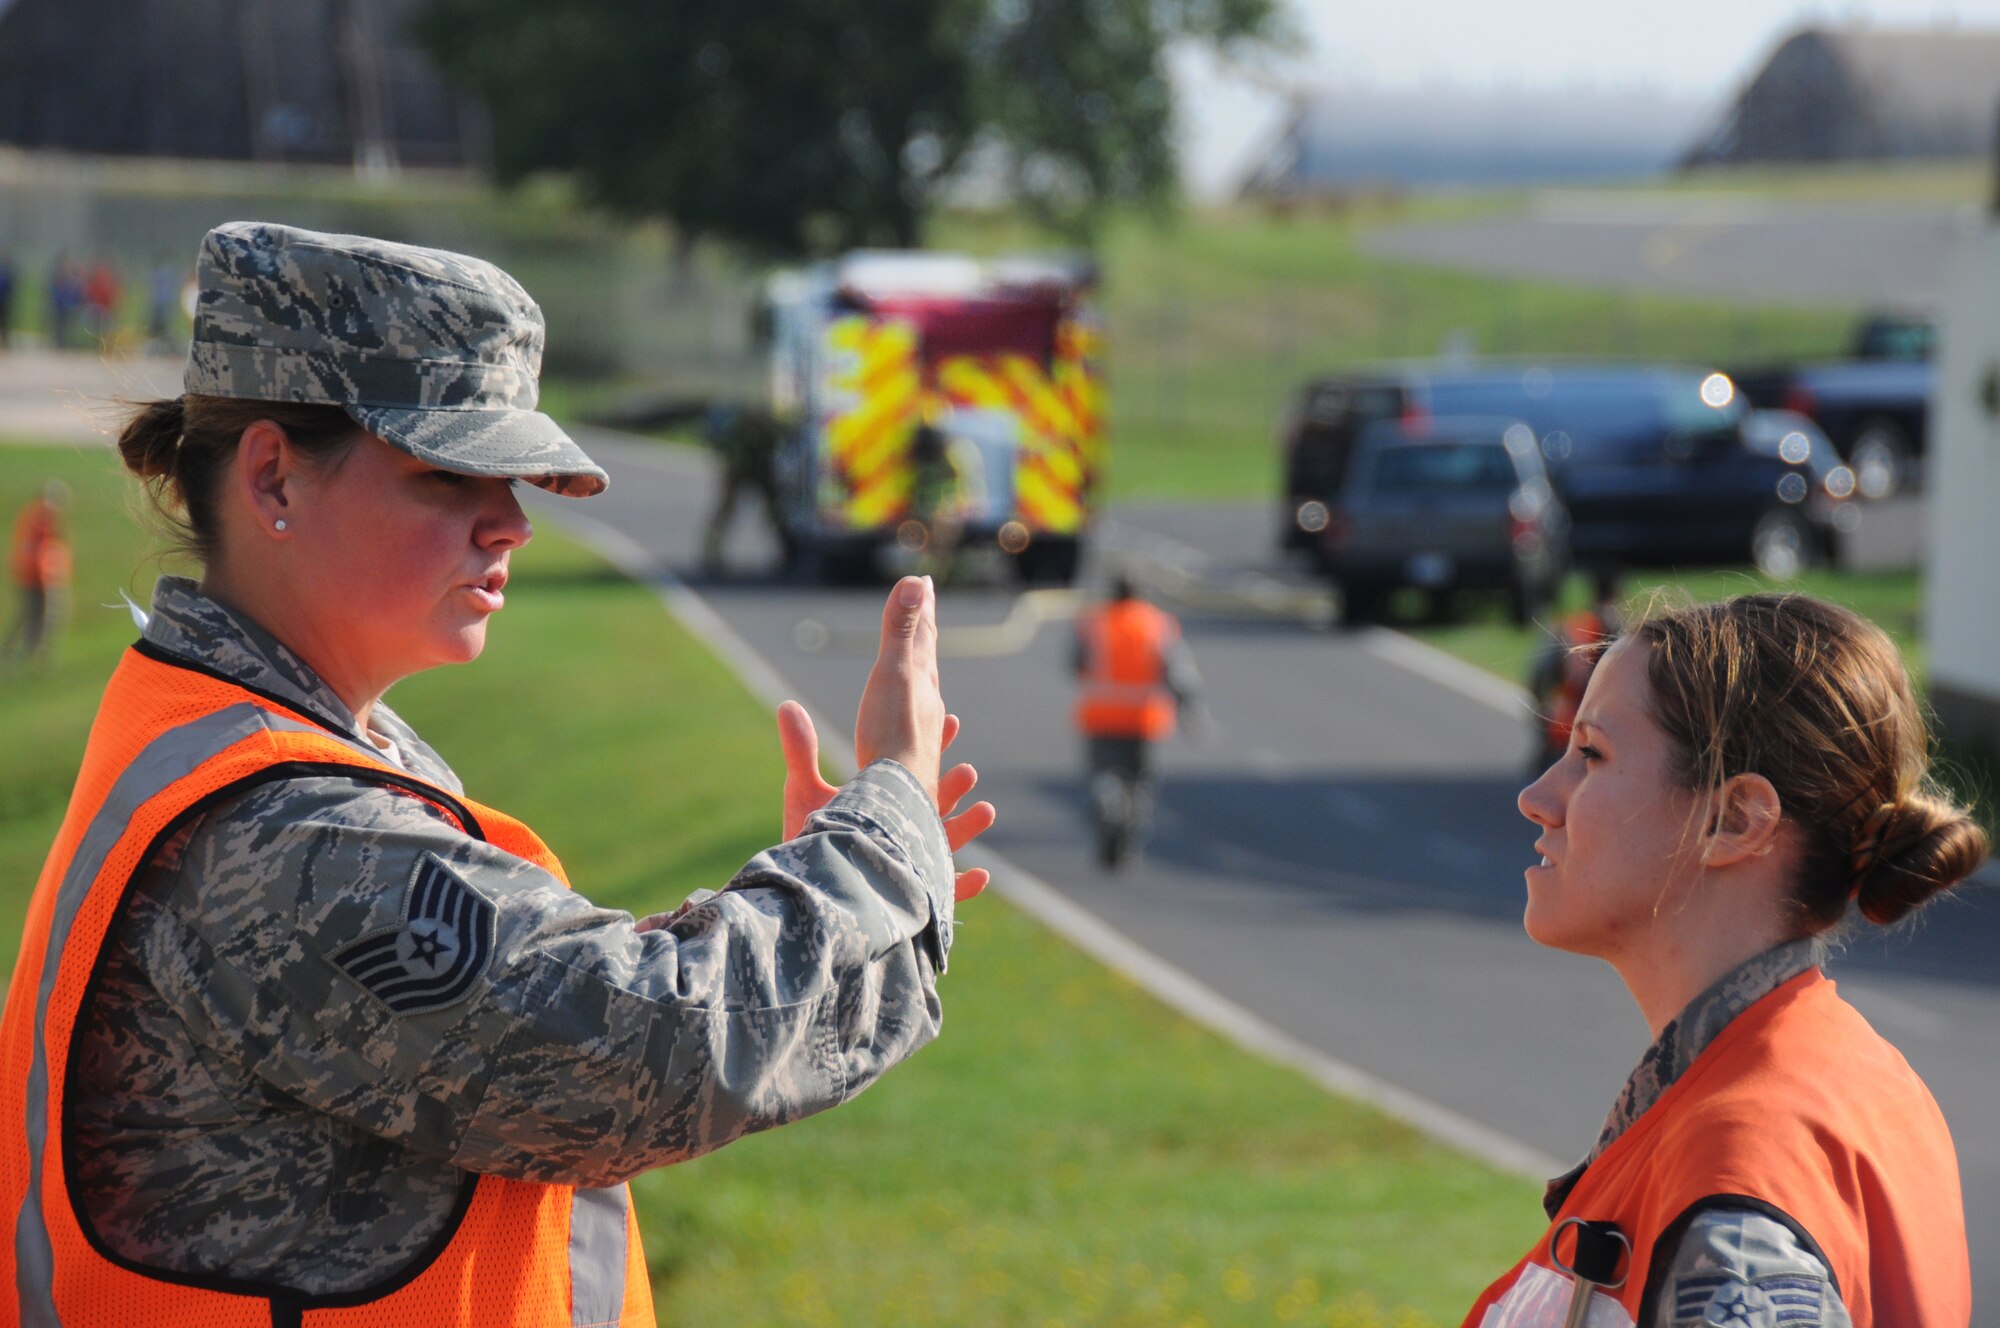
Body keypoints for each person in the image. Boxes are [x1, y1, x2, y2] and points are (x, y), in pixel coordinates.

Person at [0, 222, 997, 1326]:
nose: (511, 523)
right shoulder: (289, 834)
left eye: (515, 479)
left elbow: (540, 1041)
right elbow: (646, 1049)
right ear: (273, 473)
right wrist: (879, 833)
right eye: (448, 474)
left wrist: (852, 912)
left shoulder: (271, 742)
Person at [1466, 593, 1980, 1328]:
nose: (1537, 797)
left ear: (1735, 820)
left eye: (1591, 755)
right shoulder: (1829, 1083)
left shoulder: (1742, 1175)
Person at [1072, 574, 1201, 866]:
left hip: (1101, 717)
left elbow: (1077, 664)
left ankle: (1108, 806)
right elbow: (1179, 673)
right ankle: (1128, 845)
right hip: (1143, 721)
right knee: (1139, 787)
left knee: (1103, 776)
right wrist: (1189, 711)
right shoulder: (1157, 625)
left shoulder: (1095, 623)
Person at [1527, 565, 1624, 770]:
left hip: (1562, 729)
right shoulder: (1627, 636)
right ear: (1617, 593)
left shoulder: (1570, 626)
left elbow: (1538, 678)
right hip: (1603, 739)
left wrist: (1542, 717)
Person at [698, 400, 786, 574]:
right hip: (738, 466)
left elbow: (778, 435)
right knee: (726, 509)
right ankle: (711, 555)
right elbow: (714, 435)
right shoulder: (730, 410)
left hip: (761, 464)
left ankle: (789, 551)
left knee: (776, 510)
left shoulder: (766, 410)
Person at [2, 480, 72, 670]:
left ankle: (14, 651)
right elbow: (40, 553)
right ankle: (34, 656)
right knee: (42, 616)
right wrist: (51, 577)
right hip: (36, 577)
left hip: (27, 575)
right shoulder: (41, 521)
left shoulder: (33, 515)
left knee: (28, 614)